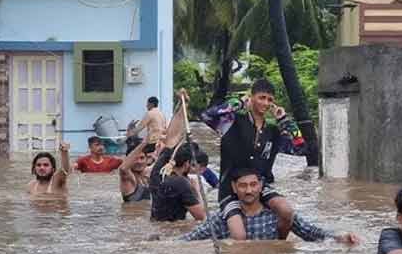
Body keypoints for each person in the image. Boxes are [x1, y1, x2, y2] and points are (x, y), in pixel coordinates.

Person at [200, 78, 307, 240]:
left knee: (286, 211)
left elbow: (299, 148)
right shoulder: (232, 122)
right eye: (261, 97)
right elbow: (207, 116)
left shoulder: (273, 131)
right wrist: (238, 103)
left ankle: (278, 245)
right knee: (239, 235)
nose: (265, 103)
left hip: (260, 187)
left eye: (270, 100)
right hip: (231, 189)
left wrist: (283, 120)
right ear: (252, 97)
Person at [180, 168, 359, 243]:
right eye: (242, 186)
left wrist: (340, 238)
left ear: (260, 186)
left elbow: (312, 232)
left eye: (253, 185)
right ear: (234, 188)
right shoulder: (224, 219)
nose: (248, 190)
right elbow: (190, 240)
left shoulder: (276, 214)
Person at [148, 89, 206, 222]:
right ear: (186, 164)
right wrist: (196, 189)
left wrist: (183, 104)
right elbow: (201, 216)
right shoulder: (181, 183)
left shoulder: (158, 172)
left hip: (156, 224)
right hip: (173, 233)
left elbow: (172, 136)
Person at [119, 137, 151, 202]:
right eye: (135, 159)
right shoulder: (128, 179)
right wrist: (144, 143)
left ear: (147, 160)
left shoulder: (146, 176)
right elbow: (123, 168)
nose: (139, 162)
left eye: (142, 158)